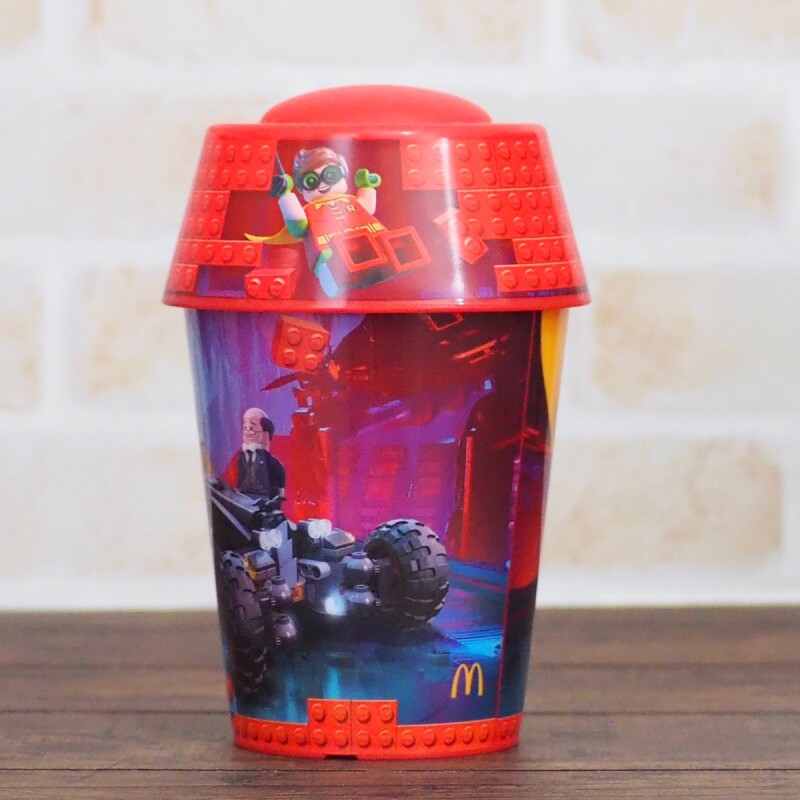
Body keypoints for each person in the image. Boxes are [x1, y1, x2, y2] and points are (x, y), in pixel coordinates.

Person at [246, 147, 382, 297]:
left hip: (367, 240)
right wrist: (285, 196)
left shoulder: (350, 201)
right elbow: (298, 227)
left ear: (343, 173)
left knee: (382, 247)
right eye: (311, 181)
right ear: (301, 188)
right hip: (328, 247)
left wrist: (367, 186)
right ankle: (333, 283)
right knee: (327, 262)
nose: (322, 184)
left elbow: (367, 208)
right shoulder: (310, 210)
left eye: (330, 175)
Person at [222, 408, 286, 498]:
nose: (248, 432)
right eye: (245, 428)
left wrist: (276, 499)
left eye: (252, 428)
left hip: (265, 498)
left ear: (265, 432)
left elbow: (280, 485)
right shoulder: (240, 458)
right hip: (243, 497)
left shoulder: (271, 462)